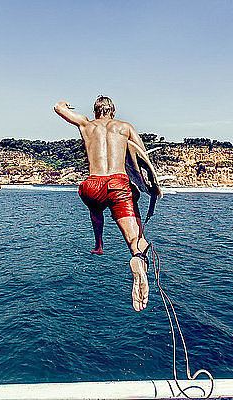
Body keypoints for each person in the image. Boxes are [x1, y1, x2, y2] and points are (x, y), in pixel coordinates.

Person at [54, 95, 150, 312]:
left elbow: (58, 107)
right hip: (118, 183)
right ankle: (137, 258)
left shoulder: (86, 124)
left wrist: (67, 105)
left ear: (96, 112)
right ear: (113, 112)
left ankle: (98, 244)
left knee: (96, 211)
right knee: (136, 238)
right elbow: (141, 158)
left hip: (91, 185)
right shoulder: (124, 127)